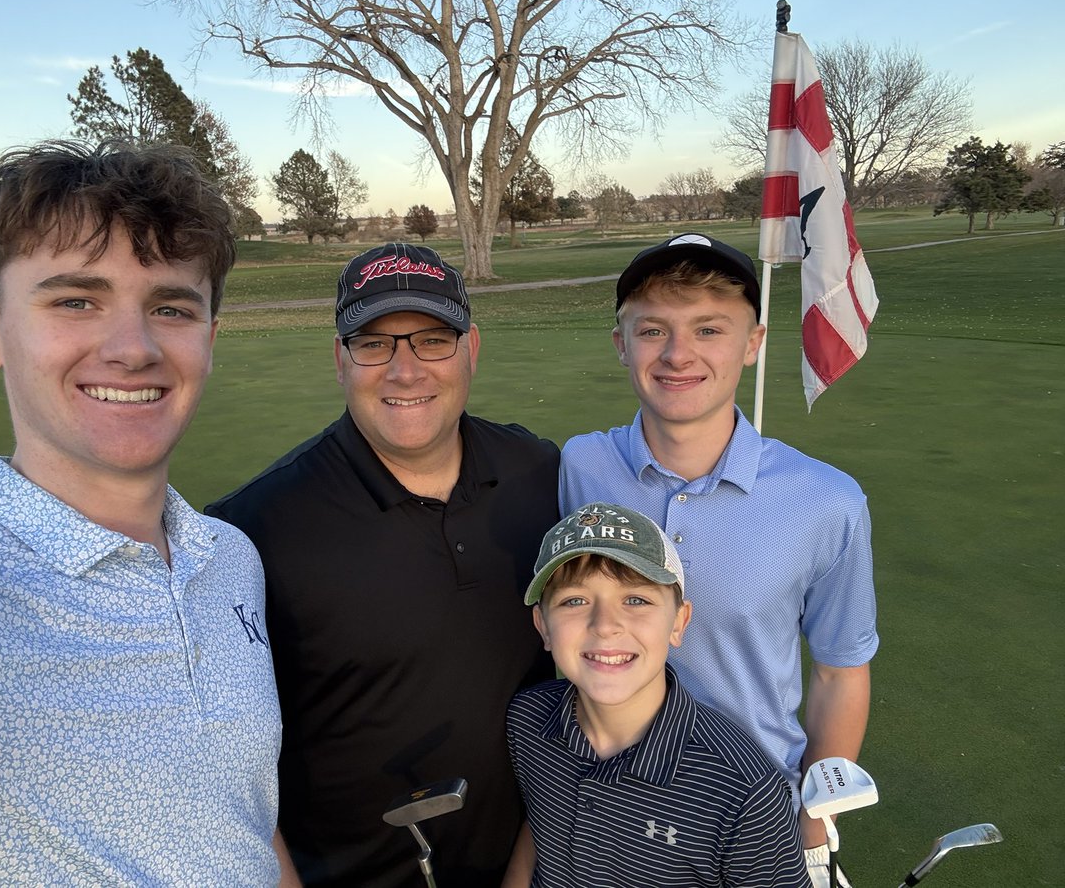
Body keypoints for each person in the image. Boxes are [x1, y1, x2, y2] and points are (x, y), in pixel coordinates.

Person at [0, 140, 290, 885]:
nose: (134, 348)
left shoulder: (229, 558)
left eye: (171, 307)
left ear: (211, 340)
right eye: (75, 300)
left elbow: (238, 819)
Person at [206, 242, 560, 888]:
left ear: (471, 350)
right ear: (339, 361)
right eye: (374, 344)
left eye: (431, 340)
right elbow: (224, 771)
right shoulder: (252, 531)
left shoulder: (539, 476)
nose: (405, 370)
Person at [559, 233, 877, 885]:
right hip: (600, 814)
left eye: (710, 329)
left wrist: (813, 833)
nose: (679, 355)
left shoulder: (828, 501)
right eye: (653, 330)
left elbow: (840, 675)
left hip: (754, 821)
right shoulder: (579, 466)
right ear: (622, 344)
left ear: (753, 344)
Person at [504, 501, 809, 886]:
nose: (605, 625)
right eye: (574, 601)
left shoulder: (744, 789)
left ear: (679, 622)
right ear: (543, 626)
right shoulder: (528, 718)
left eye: (636, 600)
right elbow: (540, 827)